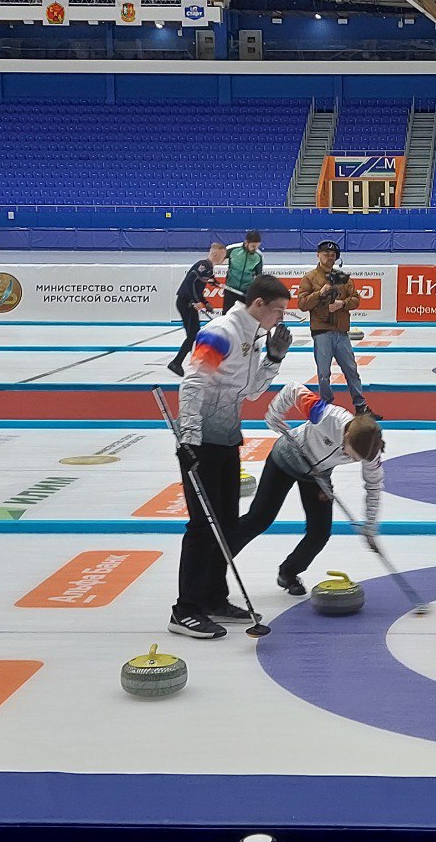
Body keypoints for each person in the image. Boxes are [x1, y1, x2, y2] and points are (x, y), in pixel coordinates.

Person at [170, 274, 293, 641]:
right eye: (278, 311)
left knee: (224, 523)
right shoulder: (221, 332)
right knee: (202, 525)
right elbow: (193, 382)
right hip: (201, 443)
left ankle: (213, 597)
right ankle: (185, 610)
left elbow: (251, 392)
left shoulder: (252, 337)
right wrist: (189, 439)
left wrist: (274, 358)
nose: (281, 319)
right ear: (258, 304)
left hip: (226, 439)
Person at [230, 381, 385, 596]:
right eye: (350, 454)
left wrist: (370, 526)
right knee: (259, 519)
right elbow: (293, 389)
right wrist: (274, 414)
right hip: (285, 459)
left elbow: (373, 487)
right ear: (347, 435)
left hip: (316, 475)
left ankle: (288, 573)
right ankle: (214, 561)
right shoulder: (327, 416)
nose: (350, 458)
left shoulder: (371, 451)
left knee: (320, 532)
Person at [299, 240, 381, 419]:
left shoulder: (343, 278)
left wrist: (342, 304)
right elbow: (302, 304)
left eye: (333, 255)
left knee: (351, 370)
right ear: (318, 255)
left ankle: (360, 406)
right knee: (323, 374)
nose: (330, 257)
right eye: (326, 254)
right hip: (321, 332)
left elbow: (356, 299)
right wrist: (320, 293)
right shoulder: (309, 278)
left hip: (341, 332)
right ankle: (327, 407)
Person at [167, 242, 226, 377]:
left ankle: (195, 362)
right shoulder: (203, 265)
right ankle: (176, 362)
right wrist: (196, 301)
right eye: (223, 256)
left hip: (189, 303)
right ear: (216, 254)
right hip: (185, 302)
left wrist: (205, 302)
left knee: (194, 334)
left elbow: (198, 288)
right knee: (193, 334)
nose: (223, 260)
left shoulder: (209, 269)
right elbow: (190, 282)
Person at [223, 230, 263, 313]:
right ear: (246, 242)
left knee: (245, 316)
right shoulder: (233, 249)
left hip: (246, 292)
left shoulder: (258, 256)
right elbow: (218, 258)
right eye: (253, 246)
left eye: (257, 246)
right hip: (230, 289)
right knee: (227, 314)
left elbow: (259, 275)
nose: (255, 249)